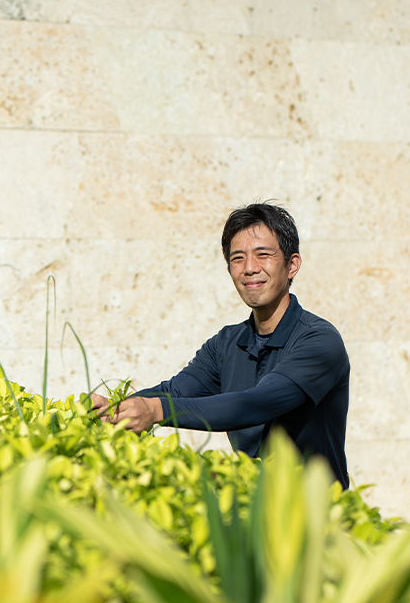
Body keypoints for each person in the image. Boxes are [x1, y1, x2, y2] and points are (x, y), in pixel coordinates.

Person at [91, 203, 350, 488]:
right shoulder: (225, 344)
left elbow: (255, 404)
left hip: (317, 518)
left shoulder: (319, 341)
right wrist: (116, 408)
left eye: (263, 254)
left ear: (292, 265)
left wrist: (156, 411)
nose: (250, 268)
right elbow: (175, 391)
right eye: (238, 258)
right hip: (250, 512)